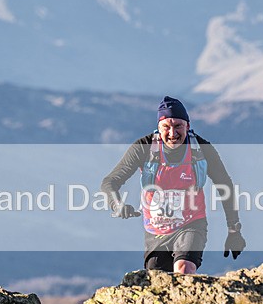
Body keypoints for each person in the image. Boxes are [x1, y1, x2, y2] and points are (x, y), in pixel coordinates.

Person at [101, 96, 246, 273]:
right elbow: (110, 182)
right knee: (157, 281)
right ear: (158, 127)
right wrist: (117, 204)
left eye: (178, 126)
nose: (172, 133)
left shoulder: (202, 149)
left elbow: (225, 186)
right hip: (156, 230)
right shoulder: (144, 147)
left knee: (184, 268)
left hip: (191, 224)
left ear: (188, 126)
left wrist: (234, 230)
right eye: (166, 127)